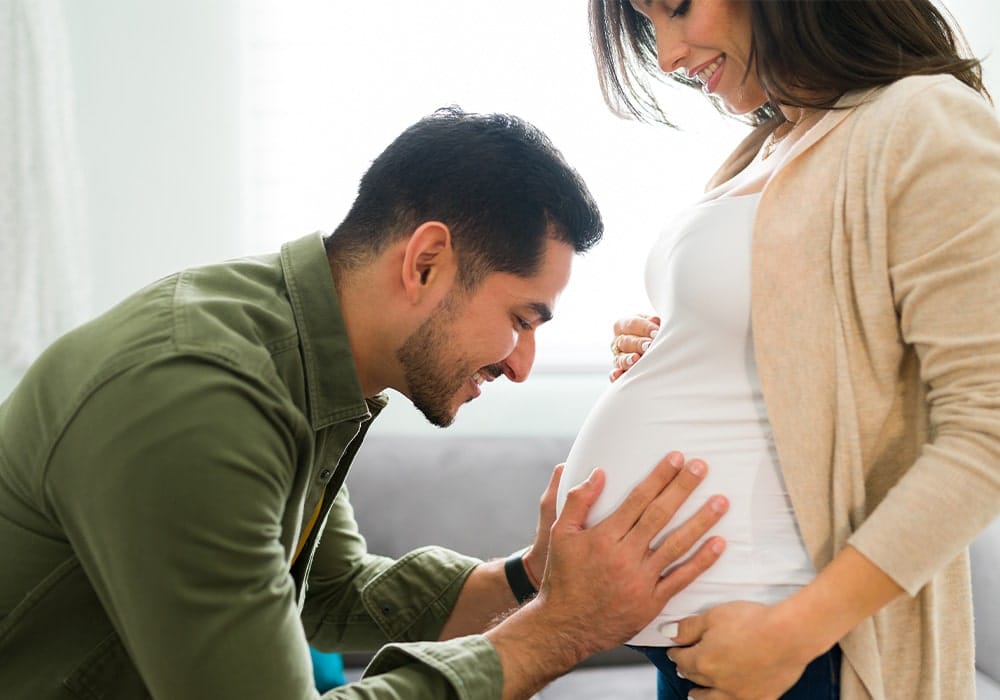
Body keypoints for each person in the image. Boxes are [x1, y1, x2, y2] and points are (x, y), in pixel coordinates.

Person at [0, 107, 731, 699]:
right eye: (520, 319)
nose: (521, 364)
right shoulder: (202, 391)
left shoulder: (306, 361)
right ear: (425, 262)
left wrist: (531, 578)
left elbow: (333, 592)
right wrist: (558, 629)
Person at [555, 1, 1000, 698]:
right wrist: (679, 339)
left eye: (677, 6)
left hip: (792, 649)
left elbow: (989, 431)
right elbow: (808, 351)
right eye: (649, 25)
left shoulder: (923, 120)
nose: (667, 54)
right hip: (704, 643)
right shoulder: (767, 143)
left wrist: (792, 634)